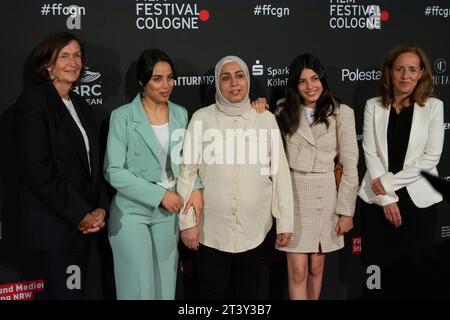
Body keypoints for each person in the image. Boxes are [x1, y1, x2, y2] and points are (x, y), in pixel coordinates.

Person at [176, 55, 294, 300]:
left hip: (254, 231)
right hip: (210, 231)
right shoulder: (201, 118)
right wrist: (187, 223)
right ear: (217, 84)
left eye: (240, 75)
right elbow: (187, 172)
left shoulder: (266, 120)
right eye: (226, 78)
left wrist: (285, 222)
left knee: (247, 296)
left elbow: (280, 173)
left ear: (248, 80)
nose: (234, 83)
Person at [14, 32, 108, 299]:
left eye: (77, 55)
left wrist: (99, 208)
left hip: (82, 230)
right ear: (47, 64)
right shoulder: (33, 102)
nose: (73, 62)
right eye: (64, 55)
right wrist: (80, 214)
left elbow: (93, 165)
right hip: (52, 230)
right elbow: (38, 171)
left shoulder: (80, 105)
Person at [104, 48, 202, 300]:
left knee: (165, 287)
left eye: (170, 78)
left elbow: (188, 161)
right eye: (157, 79)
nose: (166, 85)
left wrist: (197, 188)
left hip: (170, 210)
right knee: (138, 289)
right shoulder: (122, 117)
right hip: (131, 211)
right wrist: (159, 195)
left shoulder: (180, 113)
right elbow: (113, 171)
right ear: (142, 81)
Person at [358, 45, 444, 298]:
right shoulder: (373, 105)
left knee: (416, 278)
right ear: (390, 72)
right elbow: (370, 152)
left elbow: (431, 158)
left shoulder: (434, 107)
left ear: (421, 74)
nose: (405, 76)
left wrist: (389, 184)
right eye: (399, 69)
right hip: (378, 200)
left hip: (418, 204)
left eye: (412, 70)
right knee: (377, 276)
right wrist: (386, 197)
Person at [274, 53, 359, 300]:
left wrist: (346, 211)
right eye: (302, 81)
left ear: (322, 79)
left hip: (325, 196)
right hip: (293, 194)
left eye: (314, 79)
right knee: (298, 271)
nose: (310, 86)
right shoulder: (282, 110)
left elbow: (350, 164)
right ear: (295, 85)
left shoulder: (342, 113)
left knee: (317, 267)